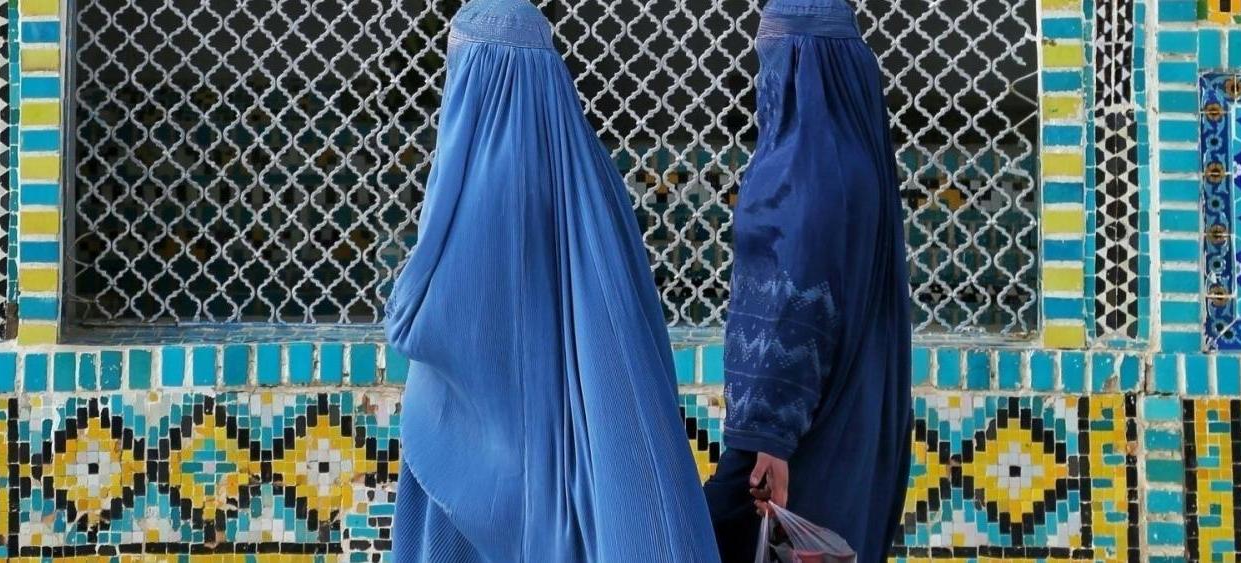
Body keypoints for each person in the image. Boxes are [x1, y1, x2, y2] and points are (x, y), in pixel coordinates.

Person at [384, 1, 721, 561]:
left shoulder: (482, 184)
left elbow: (424, 320)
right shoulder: (593, 172)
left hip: (489, 499)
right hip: (581, 481)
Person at [702, 0, 913, 561]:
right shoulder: (858, 164)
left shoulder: (804, 171)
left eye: (774, 56)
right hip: (844, 427)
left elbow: (800, 304)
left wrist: (769, 439)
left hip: (784, 447)